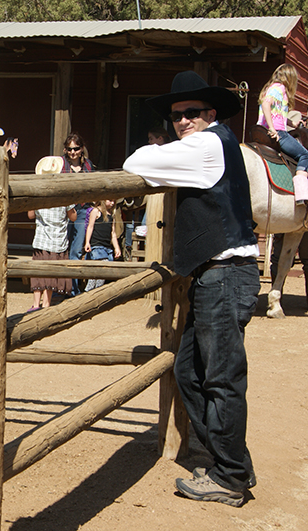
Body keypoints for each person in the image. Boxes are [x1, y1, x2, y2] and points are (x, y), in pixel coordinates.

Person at [123, 70, 259, 507]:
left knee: (220, 377)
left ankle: (230, 476)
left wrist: (163, 148)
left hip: (224, 273)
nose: (182, 121)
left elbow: (136, 164)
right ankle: (228, 460)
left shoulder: (204, 145)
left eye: (191, 113)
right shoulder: (214, 143)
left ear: (210, 113)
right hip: (218, 274)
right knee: (190, 370)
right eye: (176, 116)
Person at [28, 156, 76, 311]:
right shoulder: (64, 194)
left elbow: (30, 215)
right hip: (57, 240)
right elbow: (73, 216)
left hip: (41, 238)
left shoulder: (39, 194)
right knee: (50, 272)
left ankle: (36, 303)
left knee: (38, 271)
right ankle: (47, 303)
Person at [258, 63, 308, 204]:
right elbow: (266, 104)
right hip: (278, 132)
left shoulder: (270, 88)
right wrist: (273, 129)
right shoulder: (279, 88)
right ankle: (301, 194)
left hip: (262, 130)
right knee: (304, 155)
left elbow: (278, 114)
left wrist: (293, 124)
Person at [63, 132, 95, 296]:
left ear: (81, 149)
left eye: (75, 149)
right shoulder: (61, 165)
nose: (73, 152)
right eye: (69, 149)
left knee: (76, 251)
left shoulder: (88, 166)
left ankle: (73, 288)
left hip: (82, 210)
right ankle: (60, 288)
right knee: (62, 249)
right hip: (64, 211)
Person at [83, 199, 121, 292]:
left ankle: (94, 292)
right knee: (99, 271)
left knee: (102, 273)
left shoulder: (111, 215)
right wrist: (87, 242)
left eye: (114, 201)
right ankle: (89, 292)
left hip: (107, 248)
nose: (112, 203)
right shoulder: (96, 211)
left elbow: (113, 233)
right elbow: (90, 226)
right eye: (110, 200)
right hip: (97, 246)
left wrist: (117, 247)